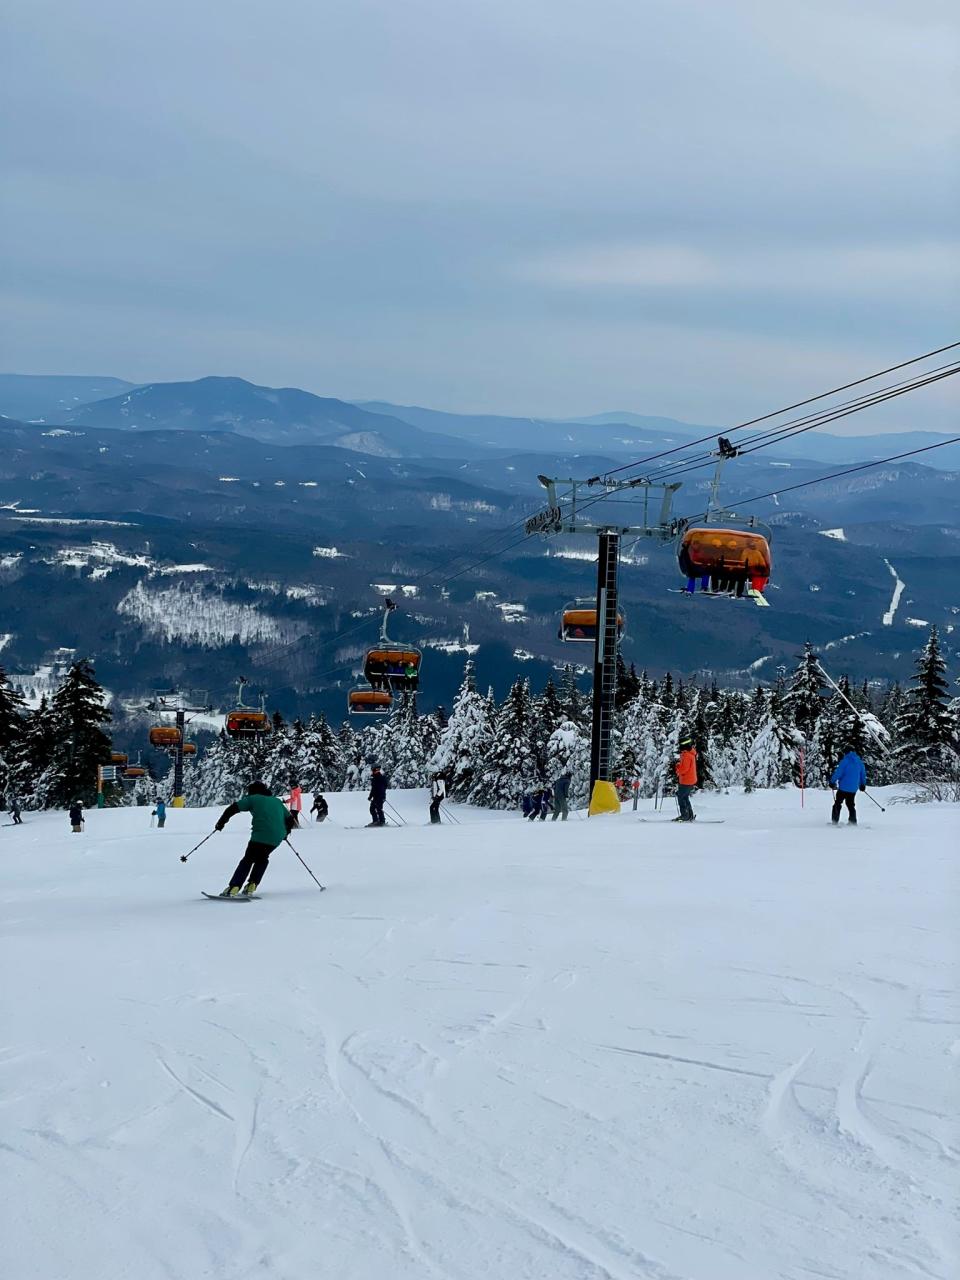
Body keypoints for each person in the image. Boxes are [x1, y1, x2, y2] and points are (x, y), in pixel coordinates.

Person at [215, 781, 296, 897]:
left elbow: (232, 809)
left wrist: (220, 823)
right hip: (276, 837)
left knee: (248, 859)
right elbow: (290, 819)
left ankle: (234, 887)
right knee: (262, 858)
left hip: (260, 835)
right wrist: (285, 833)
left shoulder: (253, 798)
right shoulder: (276, 801)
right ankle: (252, 885)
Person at [829, 747, 866, 825]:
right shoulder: (859, 762)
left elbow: (838, 773)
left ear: (846, 752)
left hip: (843, 787)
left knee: (838, 803)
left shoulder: (845, 761)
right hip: (853, 788)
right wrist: (862, 785)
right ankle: (853, 821)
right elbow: (862, 775)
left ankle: (835, 821)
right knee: (850, 804)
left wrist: (832, 782)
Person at [675, 736, 698, 821]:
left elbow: (684, 769)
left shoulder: (686, 755)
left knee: (681, 797)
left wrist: (677, 768)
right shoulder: (690, 754)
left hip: (686, 780)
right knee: (685, 797)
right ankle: (689, 815)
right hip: (690, 779)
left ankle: (685, 815)